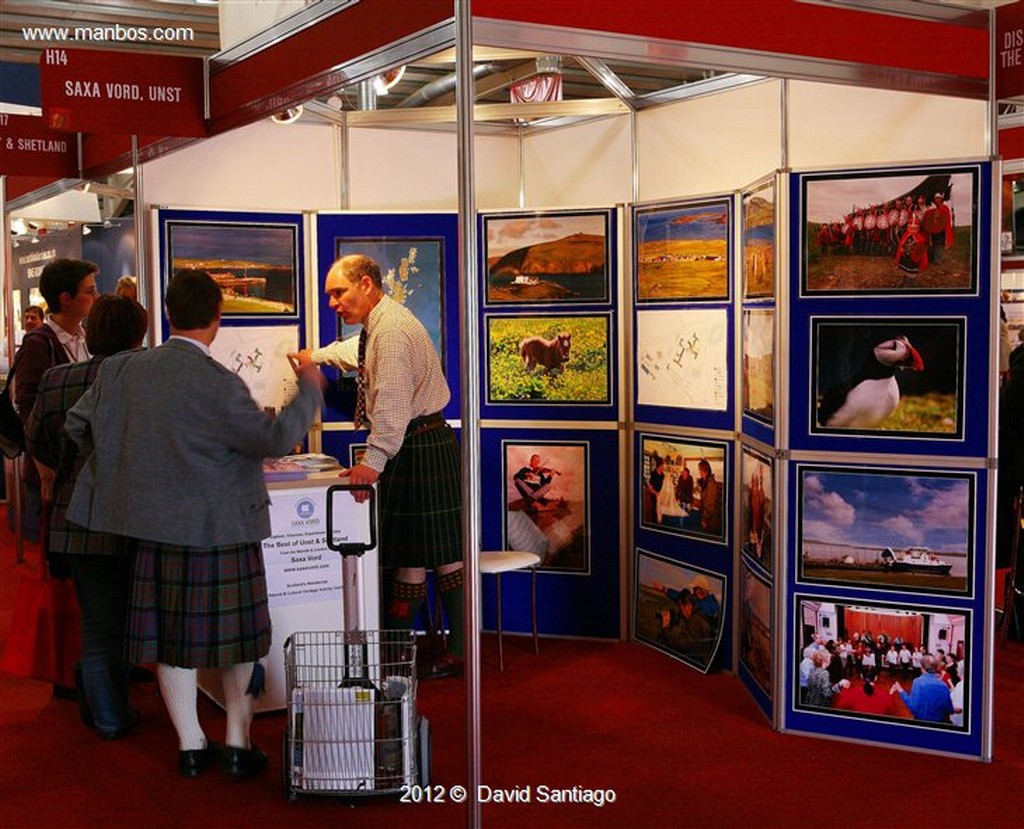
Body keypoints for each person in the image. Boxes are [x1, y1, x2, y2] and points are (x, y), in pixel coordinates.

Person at [65, 269, 324, 779]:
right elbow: (271, 442)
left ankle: (190, 745)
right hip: (223, 529)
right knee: (242, 641)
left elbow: (77, 425)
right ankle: (235, 743)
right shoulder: (219, 383)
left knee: (168, 640)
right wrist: (310, 391)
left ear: (168, 314)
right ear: (217, 320)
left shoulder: (121, 370)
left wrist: (132, 472)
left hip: (154, 533)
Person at [290, 254, 464, 678]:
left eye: (338, 292)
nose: (332, 302)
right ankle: (438, 651)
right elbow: (357, 351)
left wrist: (373, 461)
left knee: (423, 555)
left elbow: (391, 403)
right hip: (423, 443)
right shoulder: (381, 324)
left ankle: (423, 657)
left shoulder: (392, 332)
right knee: (434, 554)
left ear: (366, 285)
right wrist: (317, 355)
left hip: (415, 445)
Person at [24, 295, 148, 740]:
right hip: (140, 514)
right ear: (139, 334)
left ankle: (109, 713)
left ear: (92, 334)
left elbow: (36, 441)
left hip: (75, 517)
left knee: (97, 624)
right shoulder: (147, 379)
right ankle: (113, 713)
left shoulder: (58, 379)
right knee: (136, 613)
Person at [11, 259, 98, 548]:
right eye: (90, 291)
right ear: (66, 298)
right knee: (55, 555)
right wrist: (41, 465)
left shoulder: (86, 340)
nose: (95, 297)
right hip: (51, 466)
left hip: (78, 464)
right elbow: (26, 406)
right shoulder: (38, 345)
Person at [889, 653, 953, 723]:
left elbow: (913, 706)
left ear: (922, 668)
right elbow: (949, 709)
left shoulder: (918, 682)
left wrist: (900, 690)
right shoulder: (943, 685)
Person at [921, 192, 954, 264]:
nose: (937, 200)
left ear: (941, 199)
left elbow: (946, 219)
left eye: (939, 198)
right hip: (932, 230)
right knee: (932, 244)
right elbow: (927, 218)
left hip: (941, 230)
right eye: (936, 198)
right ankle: (931, 259)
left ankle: (938, 260)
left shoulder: (945, 208)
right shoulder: (931, 208)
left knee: (939, 244)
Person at [696, 458, 722, 535]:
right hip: (708, 518)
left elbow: (709, 505)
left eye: (700, 470)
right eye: (699, 469)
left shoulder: (711, 484)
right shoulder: (705, 482)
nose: (699, 472)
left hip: (711, 521)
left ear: (706, 471)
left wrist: (704, 519)